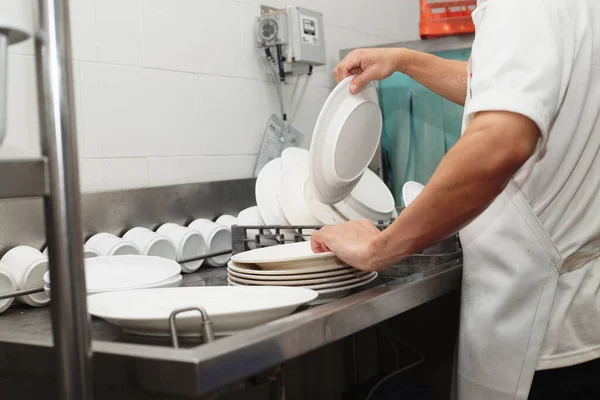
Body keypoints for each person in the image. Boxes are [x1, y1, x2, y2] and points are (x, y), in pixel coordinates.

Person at [310, 0, 600, 399]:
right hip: (574, 314)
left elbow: (499, 142)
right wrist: (405, 60)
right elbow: (507, 88)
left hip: (541, 329)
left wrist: (381, 247)